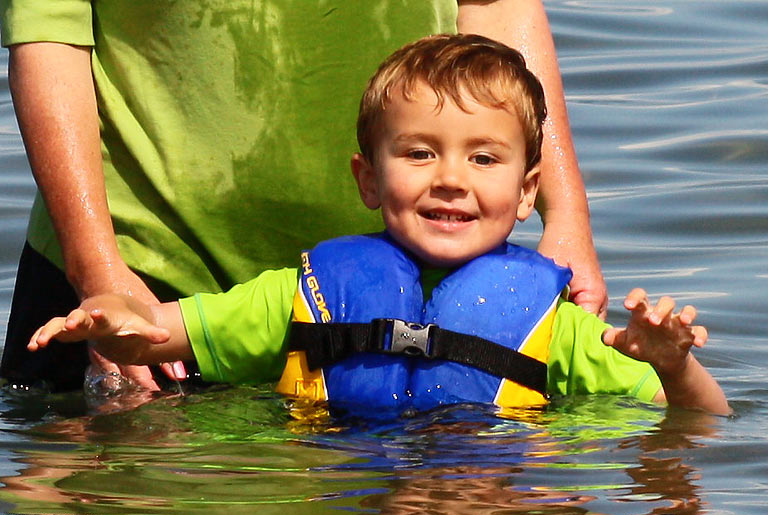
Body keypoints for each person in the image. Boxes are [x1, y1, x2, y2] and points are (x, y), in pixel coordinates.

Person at [27, 34, 730, 416]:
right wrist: (114, 313)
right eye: (419, 152)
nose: (450, 176)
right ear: (368, 178)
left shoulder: (557, 324)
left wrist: (674, 364)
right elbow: (164, 335)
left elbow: (705, 418)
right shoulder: (304, 295)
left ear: (527, 193)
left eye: (483, 158)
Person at [0, 1, 606, 393]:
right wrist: (95, 268)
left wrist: (568, 216)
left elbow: (496, 8)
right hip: (139, 277)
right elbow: (46, 32)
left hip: (395, 291)